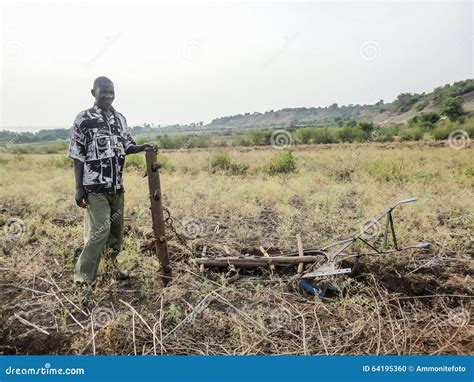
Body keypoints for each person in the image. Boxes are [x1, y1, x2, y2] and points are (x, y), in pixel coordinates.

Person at [68, 76, 157, 299]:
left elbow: (126, 145)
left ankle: (111, 268)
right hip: (95, 188)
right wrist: (79, 188)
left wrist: (143, 147)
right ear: (93, 93)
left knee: (116, 232)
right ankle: (83, 281)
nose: (108, 95)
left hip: (117, 186)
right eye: (103, 92)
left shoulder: (120, 119)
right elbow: (77, 157)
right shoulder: (84, 120)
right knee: (99, 234)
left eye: (111, 92)